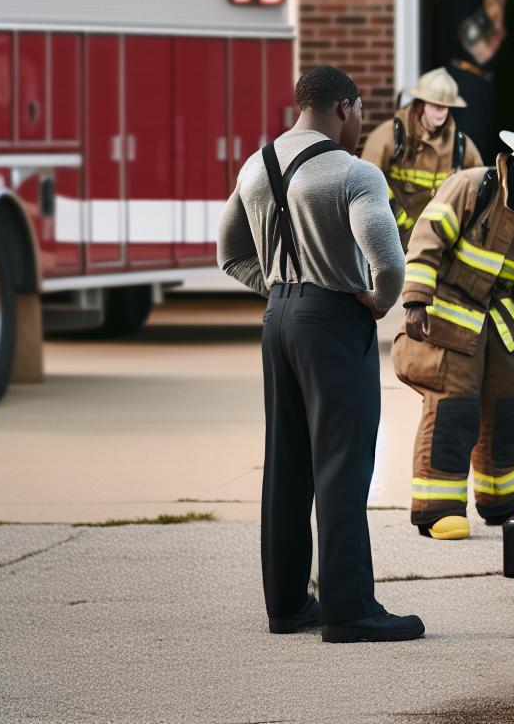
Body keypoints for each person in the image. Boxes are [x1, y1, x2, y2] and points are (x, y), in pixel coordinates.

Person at [217, 65, 423, 643]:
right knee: (342, 467)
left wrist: (280, 290)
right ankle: (349, 609)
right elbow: (389, 263)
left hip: (278, 321)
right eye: (359, 114)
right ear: (345, 108)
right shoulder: (355, 173)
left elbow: (228, 252)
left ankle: (286, 606)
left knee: (286, 465)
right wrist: (377, 302)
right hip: (333, 322)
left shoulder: (256, 165)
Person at [392, 125, 514, 540]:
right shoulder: (471, 187)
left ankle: (503, 500)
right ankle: (437, 507)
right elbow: (426, 240)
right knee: (454, 409)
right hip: (449, 315)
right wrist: (416, 301)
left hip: (498, 321)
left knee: (509, 406)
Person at [360, 67, 480, 248]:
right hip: (391, 242)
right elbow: (365, 183)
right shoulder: (388, 137)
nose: (442, 112)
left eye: (446, 107)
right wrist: (402, 222)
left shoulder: (461, 147)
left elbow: (479, 196)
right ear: (421, 104)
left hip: (436, 246)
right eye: (436, 105)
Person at [434, 0, 510, 157]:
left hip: (483, 85)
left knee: (487, 149)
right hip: (464, 86)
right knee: (471, 151)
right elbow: (477, 49)